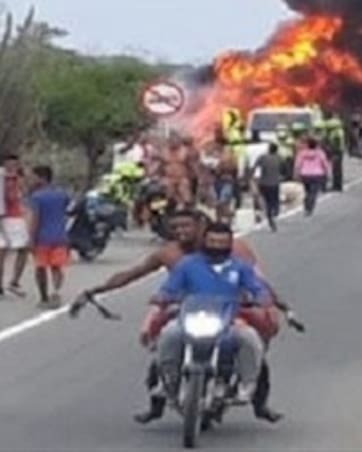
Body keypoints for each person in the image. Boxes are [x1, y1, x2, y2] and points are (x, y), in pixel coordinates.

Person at [74, 208, 284, 423]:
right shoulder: (174, 257)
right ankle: (159, 398)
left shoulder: (235, 251)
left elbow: (257, 281)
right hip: (185, 308)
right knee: (164, 340)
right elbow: (136, 275)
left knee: (250, 341)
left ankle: (258, 401)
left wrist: (271, 302)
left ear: (201, 226)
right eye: (175, 227)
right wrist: (96, 290)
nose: (181, 232)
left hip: (231, 309)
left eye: (186, 226)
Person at [147, 222, 269, 405]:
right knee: (169, 334)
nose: (217, 246)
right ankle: (167, 381)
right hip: (190, 318)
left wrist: (260, 298)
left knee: (250, 338)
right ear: (204, 241)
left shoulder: (240, 267)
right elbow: (169, 288)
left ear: (229, 244)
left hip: (228, 321)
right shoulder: (188, 265)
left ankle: (246, 386)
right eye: (212, 241)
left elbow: (257, 287)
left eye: (222, 242)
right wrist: (162, 296)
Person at [26, 165, 71, 308]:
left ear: (42, 178)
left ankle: (44, 297)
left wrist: (31, 239)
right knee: (56, 267)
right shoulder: (62, 194)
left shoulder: (36, 197)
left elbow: (35, 219)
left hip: (42, 238)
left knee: (40, 268)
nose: (31, 180)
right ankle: (56, 291)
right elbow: (66, 212)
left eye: (34, 177)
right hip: (60, 236)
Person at [1, 154, 30, 299]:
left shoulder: (18, 179)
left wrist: (19, 182)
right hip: (4, 217)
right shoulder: (3, 179)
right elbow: (9, 197)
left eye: (15, 165)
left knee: (24, 249)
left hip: (16, 217)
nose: (12, 168)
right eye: (9, 165)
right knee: (2, 251)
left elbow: (23, 196)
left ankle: (14, 281)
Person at [294, 138, 330, 216]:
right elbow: (325, 163)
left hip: (305, 174)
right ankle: (309, 208)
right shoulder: (320, 153)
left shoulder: (302, 153)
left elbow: (298, 164)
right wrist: (327, 172)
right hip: (317, 174)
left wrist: (296, 173)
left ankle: (306, 203)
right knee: (313, 192)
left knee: (307, 191)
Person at [252, 142, 284, 231]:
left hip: (264, 182)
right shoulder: (279, 158)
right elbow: (284, 167)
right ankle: (274, 212)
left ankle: (269, 215)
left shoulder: (262, 157)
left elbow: (255, 167)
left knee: (267, 200)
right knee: (274, 199)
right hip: (275, 182)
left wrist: (254, 176)